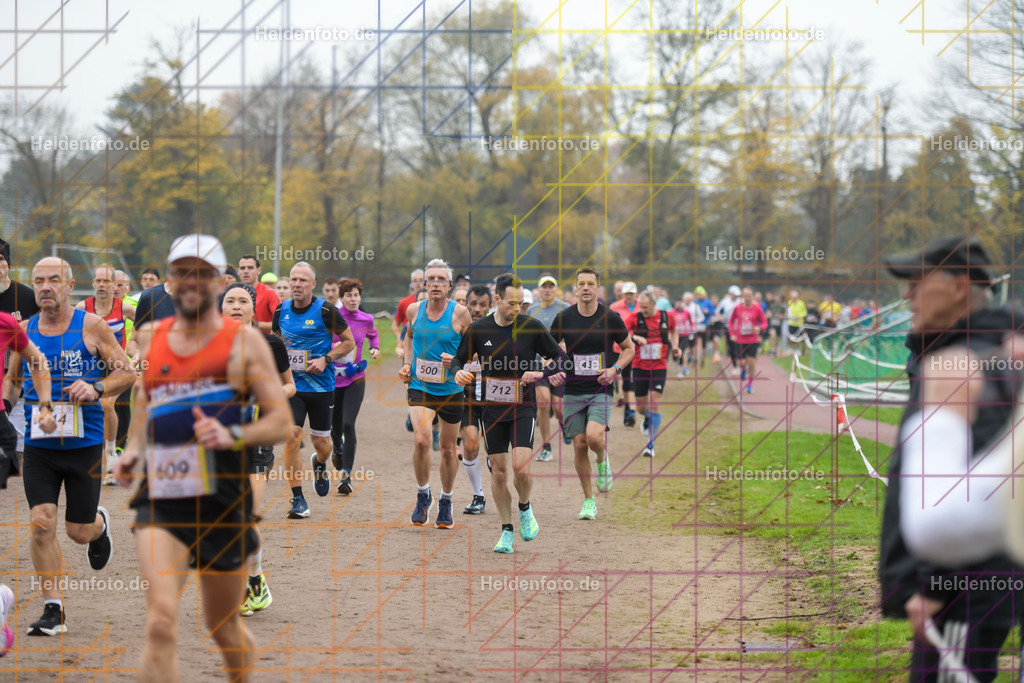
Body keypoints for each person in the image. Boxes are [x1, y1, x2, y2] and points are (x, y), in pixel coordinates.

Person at [113, 233, 290, 681]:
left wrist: (230, 432)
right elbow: (151, 407)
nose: (191, 281)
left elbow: (279, 423)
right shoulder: (151, 338)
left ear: (218, 280)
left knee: (223, 627)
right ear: (171, 281)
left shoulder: (246, 344)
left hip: (222, 499)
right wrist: (133, 451)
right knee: (160, 622)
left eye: (202, 273)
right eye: (182, 272)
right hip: (163, 494)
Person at [878, 236, 1022, 682]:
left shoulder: (971, 363)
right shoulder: (964, 351)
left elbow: (972, 492)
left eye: (917, 282)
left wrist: (935, 580)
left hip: (966, 586)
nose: (907, 295)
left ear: (960, 287)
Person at [5, 257, 135, 636]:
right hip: (40, 447)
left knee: (78, 531)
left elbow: (126, 372)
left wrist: (96, 387)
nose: (45, 287)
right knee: (41, 523)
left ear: (69, 284)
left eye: (54, 280)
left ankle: (99, 525)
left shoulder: (92, 327)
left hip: (85, 444)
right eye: (39, 280)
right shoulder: (24, 331)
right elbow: (12, 382)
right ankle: (53, 609)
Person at [452, 273, 567, 553]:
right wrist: (458, 372)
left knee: (520, 468)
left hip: (523, 407)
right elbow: (458, 358)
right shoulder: (479, 330)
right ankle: (506, 531)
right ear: (497, 300)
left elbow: (563, 360)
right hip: (491, 410)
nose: (516, 309)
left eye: (520, 304)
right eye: (511, 303)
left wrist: (541, 372)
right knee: (500, 474)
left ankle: (525, 508)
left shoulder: (531, 326)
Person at [221, 282, 296, 617]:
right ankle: (255, 581)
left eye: (242, 301)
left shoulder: (270, 343)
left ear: (254, 308)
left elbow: (290, 385)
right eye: (229, 301)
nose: (236, 306)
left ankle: (246, 585)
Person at [549, 268, 634, 520]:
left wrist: (615, 369)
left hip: (601, 387)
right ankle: (589, 500)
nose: (585, 288)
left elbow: (629, 349)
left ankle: (602, 459)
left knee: (594, 438)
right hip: (573, 389)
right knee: (578, 445)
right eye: (581, 284)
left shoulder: (611, 318)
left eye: (590, 284)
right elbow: (549, 351)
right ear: (575, 288)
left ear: (598, 288)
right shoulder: (564, 318)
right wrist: (552, 369)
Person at [273, 262, 355, 519]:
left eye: (302, 281)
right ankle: (297, 499)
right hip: (292, 387)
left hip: (321, 388)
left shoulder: (327, 310)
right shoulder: (280, 310)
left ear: (312, 285)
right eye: (293, 279)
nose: (296, 284)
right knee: (292, 436)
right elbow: (276, 343)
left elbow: (349, 342)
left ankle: (319, 464)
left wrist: (326, 359)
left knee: (322, 444)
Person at [397, 259, 472, 528]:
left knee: (449, 450)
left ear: (450, 286)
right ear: (425, 284)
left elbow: (472, 352)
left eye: (441, 279)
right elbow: (408, 337)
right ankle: (422, 494)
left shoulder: (461, 314)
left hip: (451, 390)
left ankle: (446, 501)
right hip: (421, 386)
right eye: (431, 279)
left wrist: (455, 362)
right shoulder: (414, 310)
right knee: (421, 439)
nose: (436, 284)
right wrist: (407, 363)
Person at [77, 265, 137, 484]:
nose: (102, 285)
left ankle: (111, 453)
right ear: (93, 283)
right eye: (98, 281)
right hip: (91, 366)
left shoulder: (125, 308)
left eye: (106, 281)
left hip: (116, 367)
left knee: (108, 405)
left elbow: (143, 326)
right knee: (91, 409)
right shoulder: (83, 307)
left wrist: (136, 347)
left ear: (114, 285)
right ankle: (92, 455)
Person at [332, 278, 379, 494]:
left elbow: (373, 334)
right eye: (349, 295)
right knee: (334, 427)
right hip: (332, 379)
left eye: (356, 295)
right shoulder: (332, 317)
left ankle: (346, 476)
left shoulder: (366, 318)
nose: (353, 299)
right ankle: (337, 448)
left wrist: (374, 348)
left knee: (348, 424)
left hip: (355, 378)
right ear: (341, 298)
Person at [0, 238, 41, 469]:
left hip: (19, 381)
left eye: (1, 260)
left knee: (20, 449)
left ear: (9, 265)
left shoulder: (27, 297)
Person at [625, 292, 680, 458]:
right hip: (640, 366)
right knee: (641, 407)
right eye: (640, 307)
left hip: (659, 366)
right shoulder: (634, 318)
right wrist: (635, 337)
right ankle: (647, 417)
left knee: (655, 401)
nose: (643, 310)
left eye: (646, 307)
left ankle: (651, 445)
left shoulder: (667, 316)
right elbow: (623, 334)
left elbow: (674, 331)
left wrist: (676, 346)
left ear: (654, 304)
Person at [527, 274, 571, 462]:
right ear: (539, 290)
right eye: (543, 287)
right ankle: (546, 446)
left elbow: (573, 335)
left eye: (550, 286)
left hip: (560, 364)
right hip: (538, 363)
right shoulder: (531, 310)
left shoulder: (565, 309)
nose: (547, 290)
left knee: (559, 408)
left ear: (555, 289)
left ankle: (564, 424)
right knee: (543, 403)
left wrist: (566, 346)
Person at [458, 285, 491, 514]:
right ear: (466, 304)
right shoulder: (453, 329)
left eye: (482, 305)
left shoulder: (498, 329)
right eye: (473, 304)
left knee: (495, 454)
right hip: (466, 398)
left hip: (494, 398)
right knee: (470, 444)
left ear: (491, 306)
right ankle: (478, 496)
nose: (477, 309)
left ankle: (494, 466)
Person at [728, 288, 768, 394]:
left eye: (749, 296)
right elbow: (731, 322)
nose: (747, 298)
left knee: (751, 361)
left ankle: (750, 384)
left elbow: (764, 322)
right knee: (742, 362)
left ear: (752, 297)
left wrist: (760, 328)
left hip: (752, 339)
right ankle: (743, 369)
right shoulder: (737, 308)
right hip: (740, 339)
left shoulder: (757, 308)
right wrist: (732, 334)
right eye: (745, 296)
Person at [609, 282, 639, 426]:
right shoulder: (615, 307)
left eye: (631, 294)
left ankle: (629, 410)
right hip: (615, 347)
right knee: (612, 377)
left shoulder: (642, 307)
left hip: (635, 350)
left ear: (636, 294)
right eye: (627, 294)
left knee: (629, 380)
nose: (629, 296)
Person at [236, 255, 281, 332]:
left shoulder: (269, 293)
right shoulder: (232, 293)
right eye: (242, 268)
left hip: (265, 341)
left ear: (259, 270)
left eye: (250, 268)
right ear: (238, 271)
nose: (246, 271)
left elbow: (282, 322)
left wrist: (255, 324)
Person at [391, 269, 425, 361]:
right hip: (408, 342)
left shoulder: (432, 300)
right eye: (415, 281)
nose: (418, 283)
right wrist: (399, 338)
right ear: (411, 283)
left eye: (421, 280)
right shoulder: (403, 302)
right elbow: (395, 324)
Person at [716, 286, 741, 374]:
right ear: (731, 294)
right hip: (728, 328)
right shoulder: (725, 302)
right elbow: (717, 311)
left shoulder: (740, 302)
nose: (736, 297)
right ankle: (735, 366)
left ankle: (741, 364)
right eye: (735, 295)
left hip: (739, 328)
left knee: (739, 347)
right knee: (732, 347)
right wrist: (721, 317)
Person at [783, 290, 807, 356]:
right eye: (792, 296)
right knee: (790, 337)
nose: (794, 298)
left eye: (795, 296)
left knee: (798, 338)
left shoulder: (801, 303)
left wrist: (799, 316)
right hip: (791, 323)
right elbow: (786, 312)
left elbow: (804, 313)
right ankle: (791, 349)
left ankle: (798, 349)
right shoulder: (789, 303)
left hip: (799, 324)